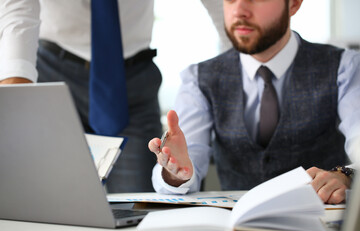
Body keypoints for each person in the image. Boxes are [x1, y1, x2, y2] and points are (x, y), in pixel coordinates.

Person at [148, 0, 360, 203]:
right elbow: (186, 163)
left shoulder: (344, 68)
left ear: (294, 3)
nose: (239, 10)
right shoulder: (198, 78)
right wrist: (176, 172)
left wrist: (347, 175)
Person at [0, 0, 162, 193]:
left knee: (137, 203)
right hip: (53, 71)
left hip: (130, 81)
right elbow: (19, 8)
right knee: (49, 200)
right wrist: (14, 94)